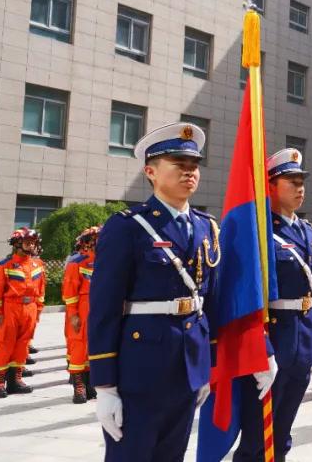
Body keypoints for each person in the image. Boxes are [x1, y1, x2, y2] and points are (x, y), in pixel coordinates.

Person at [88, 122, 236, 461]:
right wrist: (105, 385)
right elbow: (104, 308)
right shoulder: (128, 227)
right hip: (140, 369)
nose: (189, 173)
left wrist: (208, 365)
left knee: (173, 455)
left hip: (188, 367)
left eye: (194, 166)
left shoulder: (205, 227)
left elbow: (209, 302)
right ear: (151, 171)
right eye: (179, 165)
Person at [233, 148, 312, 461]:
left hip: (303, 336)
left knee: (283, 432)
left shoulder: (308, 232)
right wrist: (259, 348)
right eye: (291, 181)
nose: (299, 187)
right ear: (270, 185)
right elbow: (245, 293)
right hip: (274, 338)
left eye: (301, 181)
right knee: (258, 434)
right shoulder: (259, 230)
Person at [0, 227, 45, 398]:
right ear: (17, 244)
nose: (31, 245)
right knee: (6, 345)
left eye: (33, 242)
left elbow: (41, 290)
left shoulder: (38, 264)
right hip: (10, 309)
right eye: (27, 242)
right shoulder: (4, 266)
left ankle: (15, 381)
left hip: (29, 309)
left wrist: (37, 310)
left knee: (23, 346)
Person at [63, 226, 100, 403]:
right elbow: (70, 292)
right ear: (89, 242)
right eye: (97, 239)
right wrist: (73, 314)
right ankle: (78, 386)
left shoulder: (109, 262)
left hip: (102, 308)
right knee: (79, 346)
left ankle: (90, 383)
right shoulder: (76, 263)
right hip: (83, 307)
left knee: (95, 346)